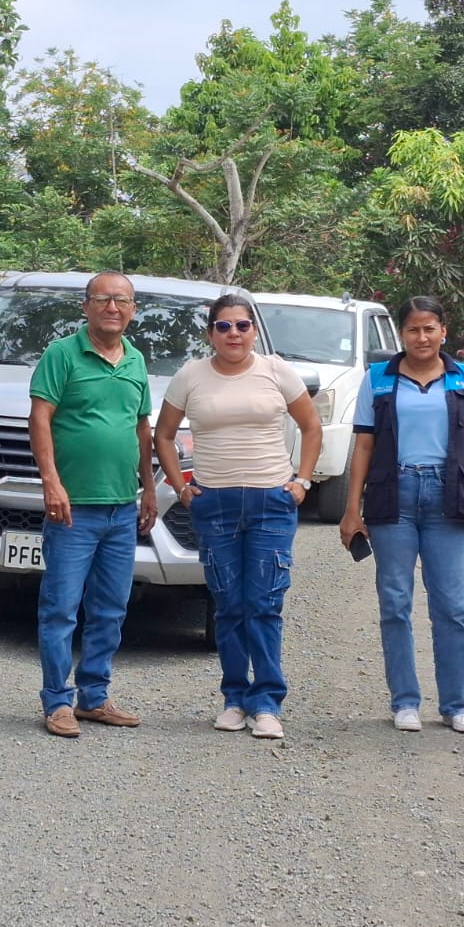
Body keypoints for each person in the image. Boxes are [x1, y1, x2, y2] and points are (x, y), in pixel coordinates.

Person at [155, 295, 322, 740]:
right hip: (215, 504)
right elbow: (163, 435)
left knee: (264, 604)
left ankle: (266, 704)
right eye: (224, 326)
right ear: (210, 332)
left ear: (254, 331)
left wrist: (303, 480)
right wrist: (181, 487)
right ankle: (233, 699)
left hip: (272, 502)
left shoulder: (276, 371)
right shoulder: (191, 375)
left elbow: (311, 426)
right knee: (228, 606)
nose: (233, 334)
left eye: (242, 325)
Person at [338, 296, 464, 735]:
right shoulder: (378, 378)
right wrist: (352, 509)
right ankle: (404, 701)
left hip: (447, 498)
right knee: (395, 602)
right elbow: (364, 446)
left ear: (443, 331)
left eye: (429, 329)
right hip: (393, 495)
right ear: (401, 334)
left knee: (452, 606)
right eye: (413, 330)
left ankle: (457, 705)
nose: (422, 337)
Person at [29, 271, 156, 738]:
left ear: (133, 310)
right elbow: (40, 418)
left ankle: (95, 697)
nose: (112, 307)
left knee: (110, 608)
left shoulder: (136, 360)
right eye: (102, 298)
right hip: (73, 509)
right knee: (61, 609)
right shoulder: (62, 355)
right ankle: (57, 702)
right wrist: (51, 482)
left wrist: (148, 488)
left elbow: (141, 428)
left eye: (122, 300)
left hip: (121, 508)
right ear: (85, 306)